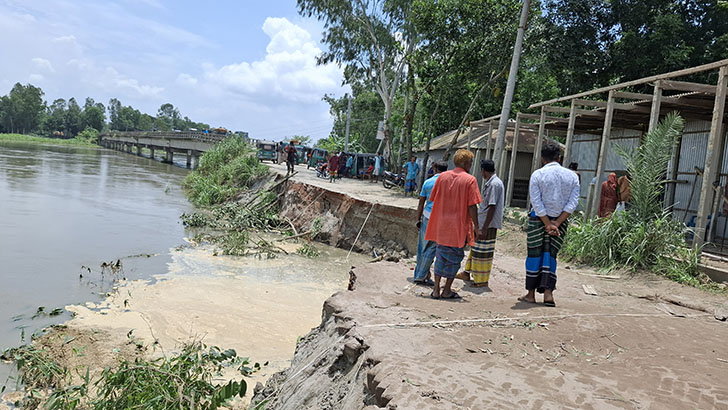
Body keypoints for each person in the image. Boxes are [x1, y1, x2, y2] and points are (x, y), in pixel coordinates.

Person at [521, 143, 580, 307]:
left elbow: (536, 202)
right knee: (551, 256)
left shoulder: (538, 175)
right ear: (559, 158)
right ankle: (548, 294)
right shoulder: (572, 176)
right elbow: (573, 203)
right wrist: (557, 223)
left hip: (538, 221)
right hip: (559, 222)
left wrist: (547, 223)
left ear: (542, 158)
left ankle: (531, 294)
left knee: (534, 255)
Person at [425, 149, 482, 299]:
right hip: (458, 226)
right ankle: (447, 290)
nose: (471, 164)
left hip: (441, 225)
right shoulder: (470, 180)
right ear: (465, 163)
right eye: (470, 161)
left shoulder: (442, 177)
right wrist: (477, 226)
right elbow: (472, 206)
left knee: (440, 255)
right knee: (455, 258)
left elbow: (433, 198)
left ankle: (436, 289)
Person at [458, 159, 504, 287]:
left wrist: (483, 228)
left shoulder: (494, 184)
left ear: (483, 171)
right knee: (476, 248)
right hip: (483, 221)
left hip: (487, 224)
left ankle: (481, 280)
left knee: (483, 252)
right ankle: (467, 272)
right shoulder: (491, 183)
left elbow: (492, 207)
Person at [413, 161, 448, 286]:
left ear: (434, 169)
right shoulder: (448, 183)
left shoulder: (428, 182)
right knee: (432, 247)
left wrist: (418, 219)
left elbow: (421, 202)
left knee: (422, 246)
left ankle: (420, 274)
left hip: (427, 217)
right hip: (442, 219)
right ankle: (422, 275)